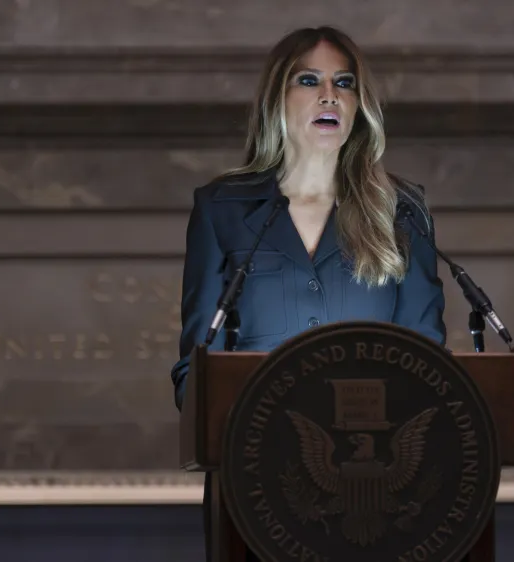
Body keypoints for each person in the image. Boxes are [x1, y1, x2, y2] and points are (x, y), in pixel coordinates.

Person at [170, 25, 447, 561]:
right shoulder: (222, 208)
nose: (329, 95)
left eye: (344, 83)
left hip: (378, 494)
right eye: (309, 80)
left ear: (359, 105)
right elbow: (194, 370)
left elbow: (427, 363)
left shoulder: (403, 211)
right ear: (279, 98)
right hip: (256, 489)